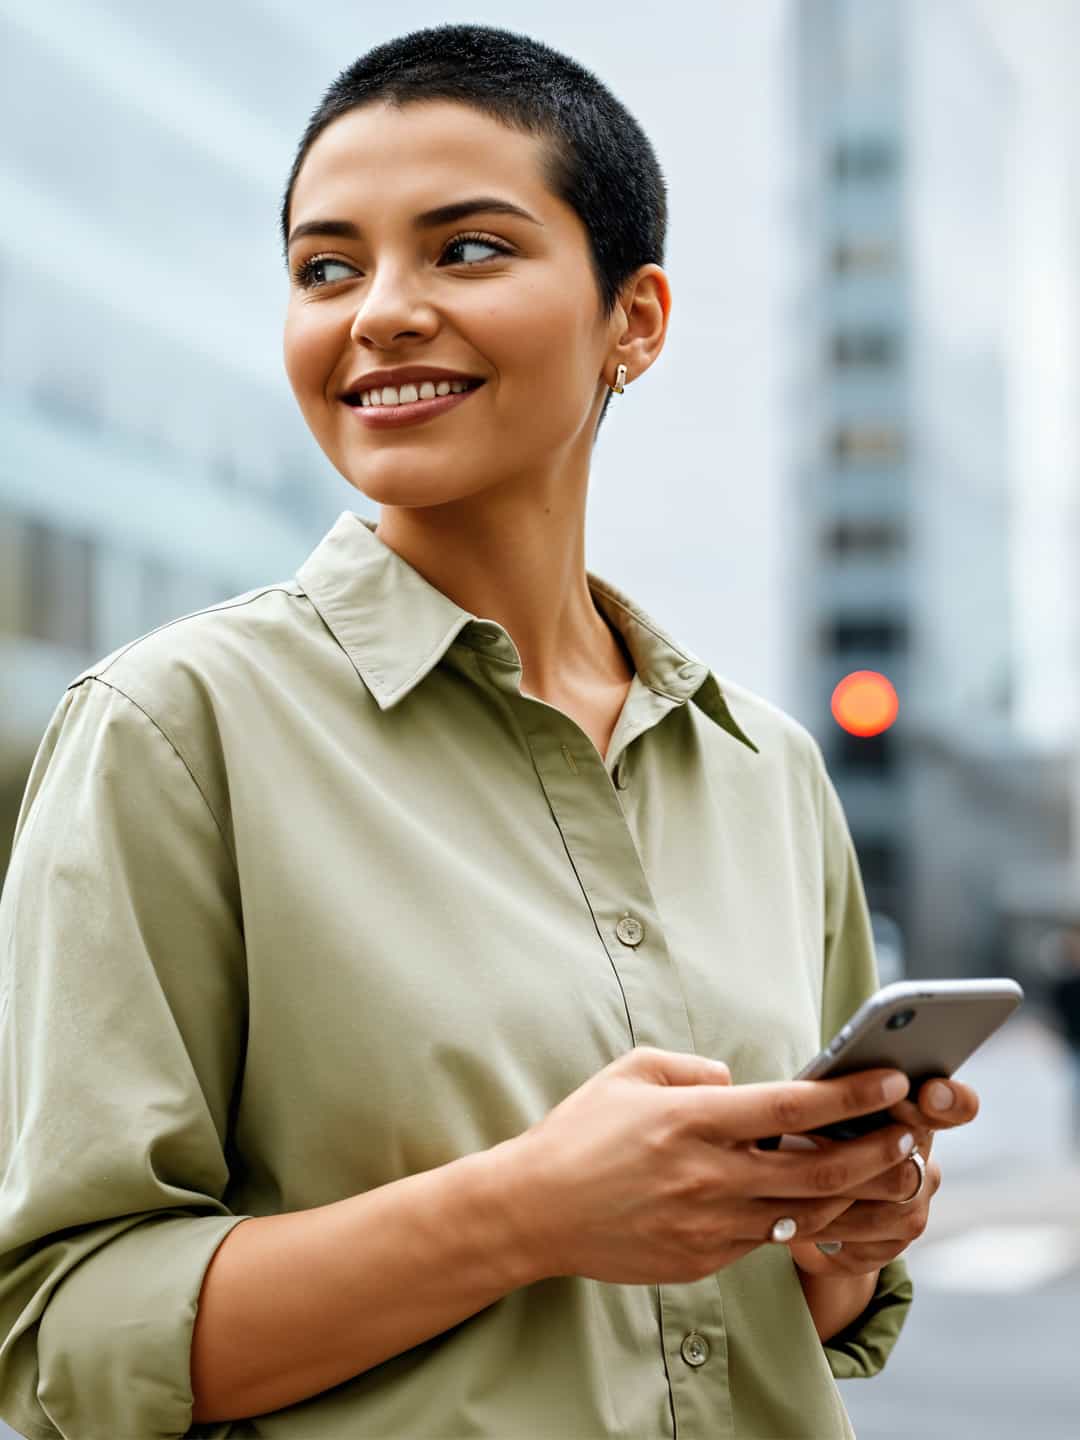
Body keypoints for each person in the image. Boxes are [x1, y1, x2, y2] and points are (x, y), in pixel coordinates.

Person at [0, 23, 980, 1440]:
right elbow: (62, 1335)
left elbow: (767, 1324)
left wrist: (837, 1225)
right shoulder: (173, 733)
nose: (380, 311)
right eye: (326, 267)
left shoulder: (764, 769)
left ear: (632, 320)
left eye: (465, 249)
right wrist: (524, 1212)